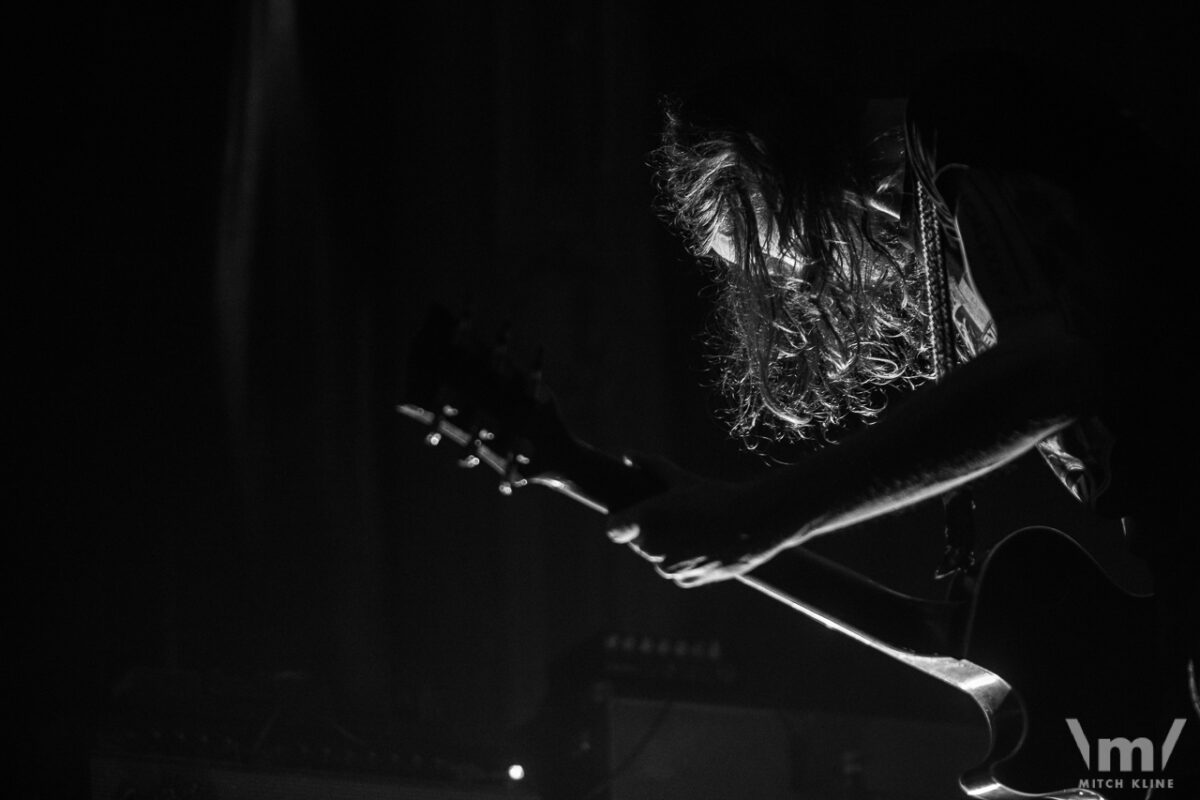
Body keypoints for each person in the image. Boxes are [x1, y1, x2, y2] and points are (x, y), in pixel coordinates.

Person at [605, 52, 1195, 713]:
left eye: (777, 248)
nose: (794, 276)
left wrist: (758, 518)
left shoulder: (960, 116)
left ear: (762, 161)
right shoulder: (946, 238)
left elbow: (1055, 368)